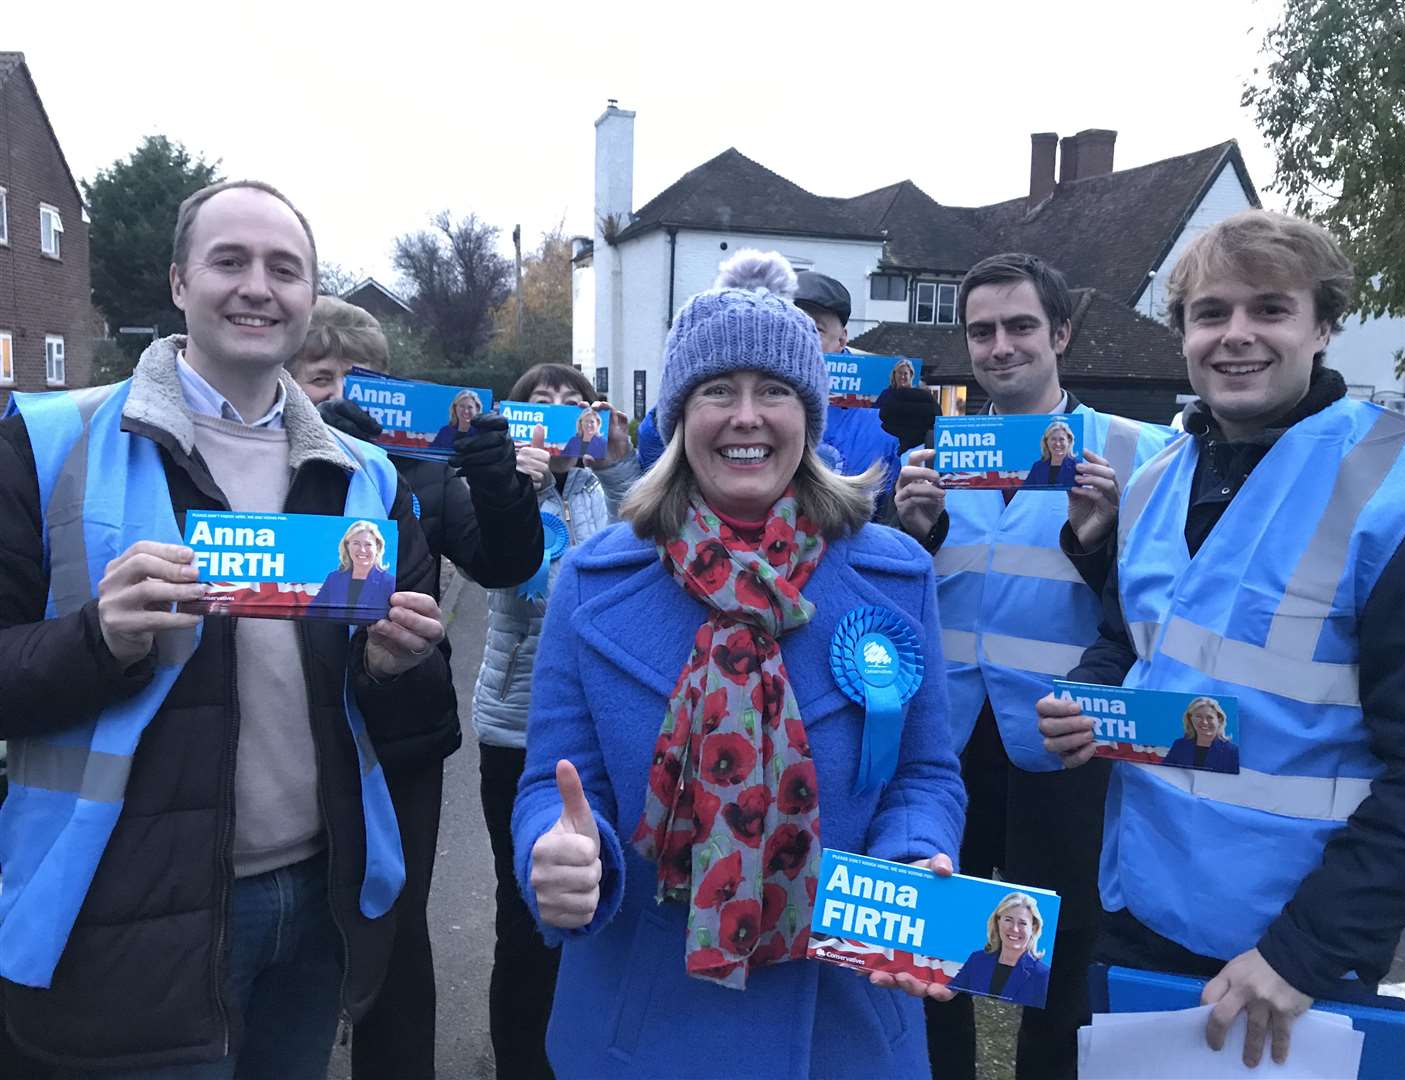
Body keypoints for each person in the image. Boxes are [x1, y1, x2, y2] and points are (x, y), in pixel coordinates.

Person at [0, 180, 452, 1077]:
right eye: (229, 261)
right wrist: (99, 638)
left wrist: (398, 669)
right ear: (178, 283)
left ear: (309, 297)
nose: (258, 287)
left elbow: (403, 721)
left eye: (285, 269)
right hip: (120, 913)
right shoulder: (46, 442)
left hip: (315, 901)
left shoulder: (369, 478)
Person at [512, 250, 967, 1079]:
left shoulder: (897, 575)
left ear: (811, 415)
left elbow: (927, 776)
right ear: (680, 416)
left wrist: (912, 862)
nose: (746, 416)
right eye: (718, 390)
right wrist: (560, 850)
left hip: (845, 1022)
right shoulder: (594, 582)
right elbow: (554, 782)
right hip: (642, 1018)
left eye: (776, 391)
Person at [1037, 209, 1405, 1069]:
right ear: (1183, 333)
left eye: (1270, 309)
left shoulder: (1402, 490)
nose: (1236, 336)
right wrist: (1087, 692)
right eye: (1211, 313)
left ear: (1323, 325)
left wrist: (1305, 952)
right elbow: (1131, 639)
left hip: (1296, 946)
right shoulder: (1153, 481)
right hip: (1141, 909)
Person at [891, 252, 1173, 1080]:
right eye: (982, 331)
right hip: (947, 741)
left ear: (1061, 334)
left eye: (1020, 327)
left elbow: (1164, 615)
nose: (1000, 346)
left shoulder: (1139, 453)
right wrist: (918, 533)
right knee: (940, 957)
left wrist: (1101, 539)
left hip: (1068, 742)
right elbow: (902, 597)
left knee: (1061, 969)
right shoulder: (939, 453)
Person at [286, 295, 543, 1080]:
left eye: (358, 379)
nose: (339, 395)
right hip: (291, 734)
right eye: (320, 376)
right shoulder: (260, 465)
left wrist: (500, 484)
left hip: (400, 739)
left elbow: (504, 563)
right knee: (293, 928)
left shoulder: (421, 469)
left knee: (395, 932)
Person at [472, 361, 638, 1079]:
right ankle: (520, 1062)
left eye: (575, 403)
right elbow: (505, 578)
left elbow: (649, 526)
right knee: (525, 910)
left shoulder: (601, 488)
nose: (561, 412)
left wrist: (621, 457)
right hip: (515, 726)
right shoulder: (500, 489)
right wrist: (518, 492)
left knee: (591, 900)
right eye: (542, 403)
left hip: (594, 730)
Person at [794, 271, 904, 506]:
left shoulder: (883, 408)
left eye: (815, 330)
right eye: (791, 327)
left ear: (842, 339)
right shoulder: (759, 403)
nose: (800, 339)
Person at [948, 893, 1052, 1008]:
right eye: (1008, 920)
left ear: (1033, 927)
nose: (1015, 929)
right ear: (998, 921)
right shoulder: (977, 959)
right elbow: (952, 992)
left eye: (1022, 923)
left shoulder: (1042, 974)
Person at [311, 519, 397, 612]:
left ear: (378, 547)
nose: (362, 550)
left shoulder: (389, 582)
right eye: (356, 543)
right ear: (347, 546)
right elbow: (313, 612)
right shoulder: (333, 579)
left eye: (368, 544)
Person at [1161, 697, 1238, 772]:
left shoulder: (1232, 752)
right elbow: (1165, 773)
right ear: (1190, 719)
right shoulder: (1180, 746)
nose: (1204, 722)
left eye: (1210, 717)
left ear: (1219, 720)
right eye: (1198, 716)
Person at [1021, 419, 1079, 489]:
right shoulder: (1037, 467)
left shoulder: (1077, 467)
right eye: (1053, 439)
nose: (1057, 444)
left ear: (1069, 441)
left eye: (1061, 439)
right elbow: (1025, 492)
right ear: (1046, 442)